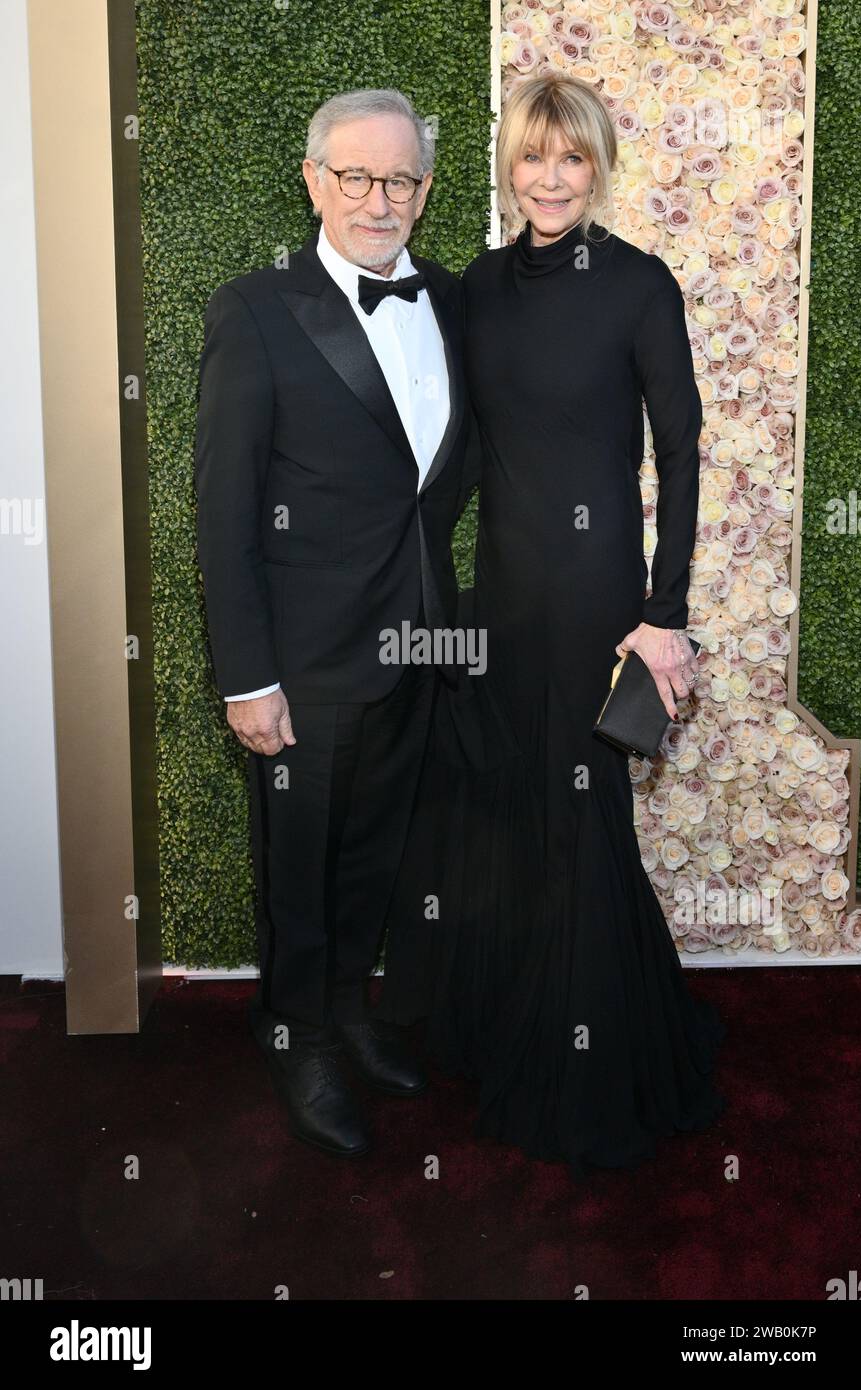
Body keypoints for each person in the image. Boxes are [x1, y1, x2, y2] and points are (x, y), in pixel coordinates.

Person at [377, 74, 727, 1181]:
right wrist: (418, 584)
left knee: (583, 823)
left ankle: (591, 1065)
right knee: (517, 813)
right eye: (531, 158)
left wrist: (660, 616)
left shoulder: (636, 286)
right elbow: (465, 449)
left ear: (597, 166)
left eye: (569, 159)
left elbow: (678, 452)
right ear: (506, 166)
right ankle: (514, 1021)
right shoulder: (477, 285)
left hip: (592, 601)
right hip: (503, 597)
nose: (548, 178)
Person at [194, 88, 475, 1158]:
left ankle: (350, 1010)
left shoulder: (450, 301)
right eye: (353, 174)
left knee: (374, 859)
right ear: (312, 180)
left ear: (425, 191)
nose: (377, 197)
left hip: (417, 648)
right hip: (302, 665)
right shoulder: (254, 310)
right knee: (299, 867)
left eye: (399, 178)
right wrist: (245, 675)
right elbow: (223, 507)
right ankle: (299, 1032)